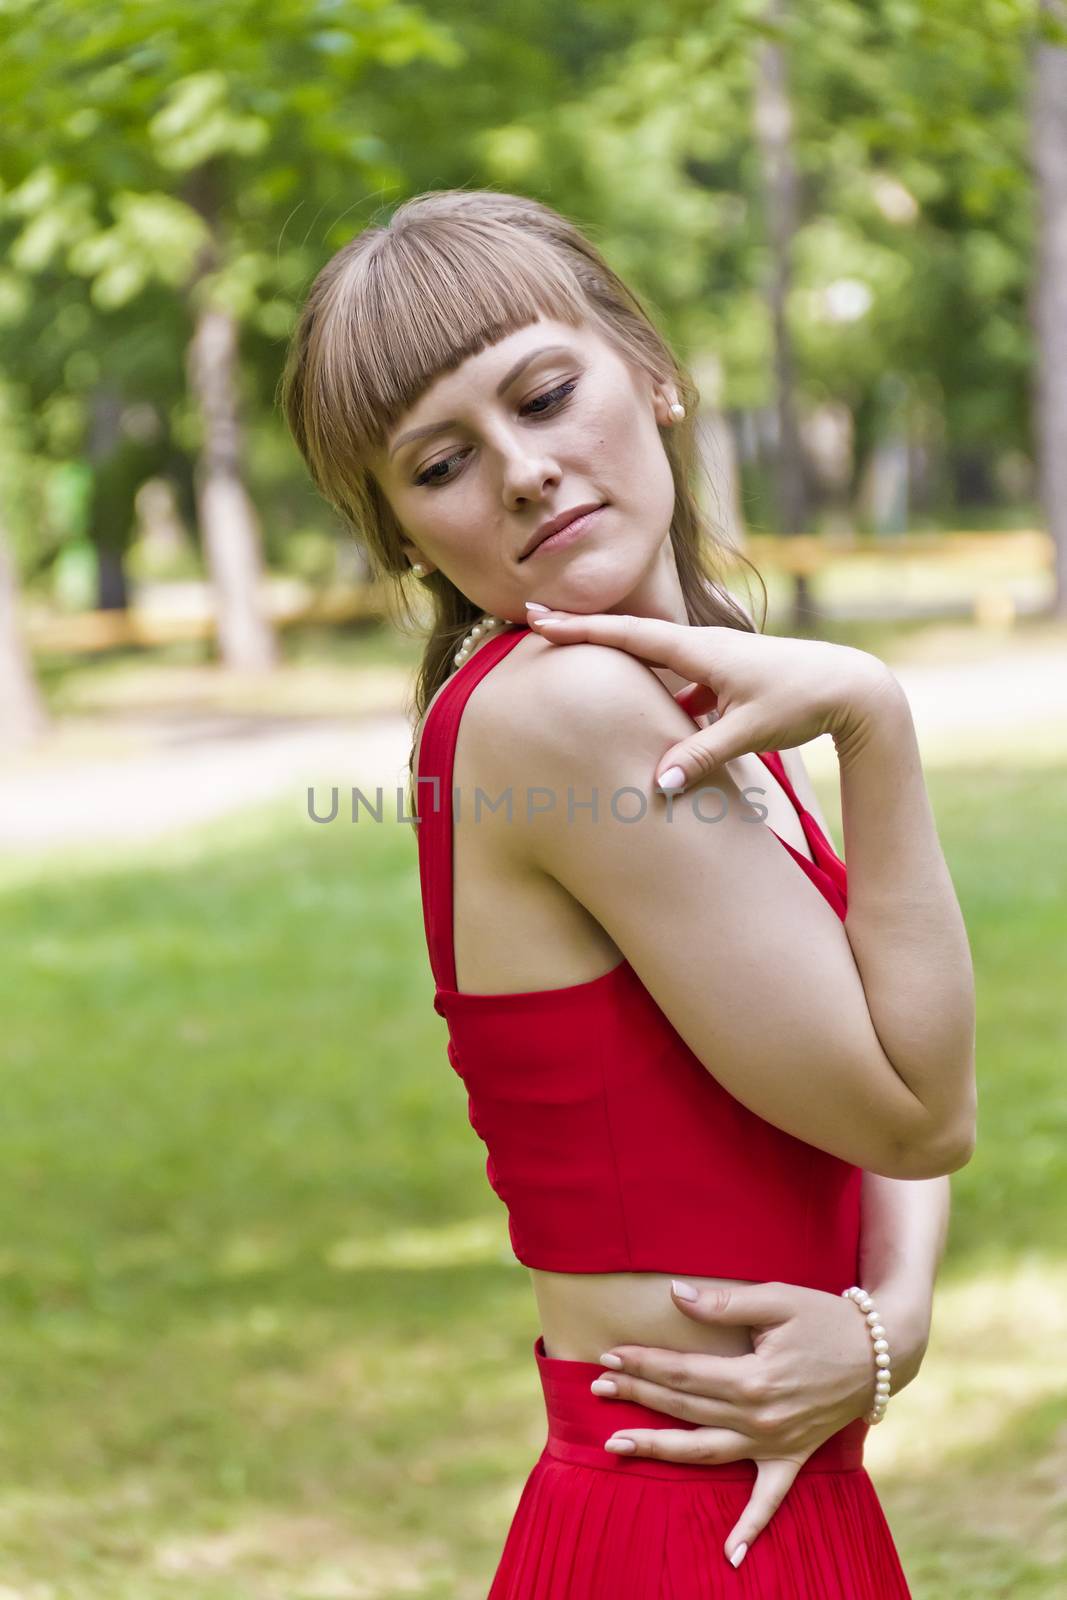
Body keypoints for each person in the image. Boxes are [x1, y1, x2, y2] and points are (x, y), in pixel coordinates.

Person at [280, 187, 977, 1597]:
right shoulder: (569, 716)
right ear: (407, 539)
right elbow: (922, 1108)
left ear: (654, 374)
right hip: (682, 1523)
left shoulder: (684, 695)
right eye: (440, 464)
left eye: (544, 395)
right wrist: (877, 724)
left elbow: (891, 1089)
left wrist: (884, 1327)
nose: (525, 471)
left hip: (767, 1481)